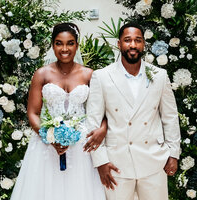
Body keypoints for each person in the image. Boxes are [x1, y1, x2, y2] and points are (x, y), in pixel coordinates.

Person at [10, 22, 106, 200]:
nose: (65, 48)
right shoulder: (42, 74)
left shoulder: (89, 74)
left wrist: (103, 128)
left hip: (81, 146)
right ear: (53, 45)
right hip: (46, 146)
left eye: (70, 43)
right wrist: (49, 136)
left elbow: (102, 110)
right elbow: (33, 112)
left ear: (77, 45)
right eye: (59, 43)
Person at [86, 22, 181, 200]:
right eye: (127, 40)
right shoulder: (102, 76)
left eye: (138, 40)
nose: (133, 45)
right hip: (116, 163)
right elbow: (93, 122)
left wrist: (173, 154)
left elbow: (170, 117)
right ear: (119, 43)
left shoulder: (159, 75)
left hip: (154, 161)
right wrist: (101, 161)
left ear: (144, 44)